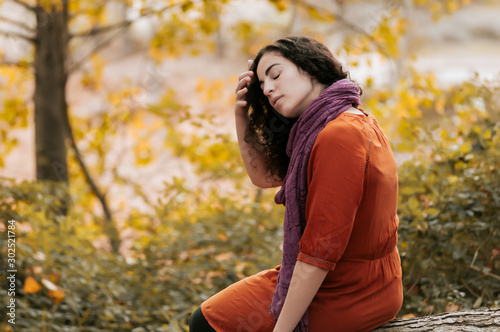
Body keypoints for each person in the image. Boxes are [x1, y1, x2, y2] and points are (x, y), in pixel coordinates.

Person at [189, 36, 403, 332]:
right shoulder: (339, 122)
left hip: (347, 291)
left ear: (311, 68)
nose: (268, 89)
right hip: (366, 282)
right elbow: (263, 177)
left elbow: (319, 253)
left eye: (275, 74)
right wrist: (241, 116)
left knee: (207, 323)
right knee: (211, 317)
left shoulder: (338, 135)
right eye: (262, 87)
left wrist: (283, 330)